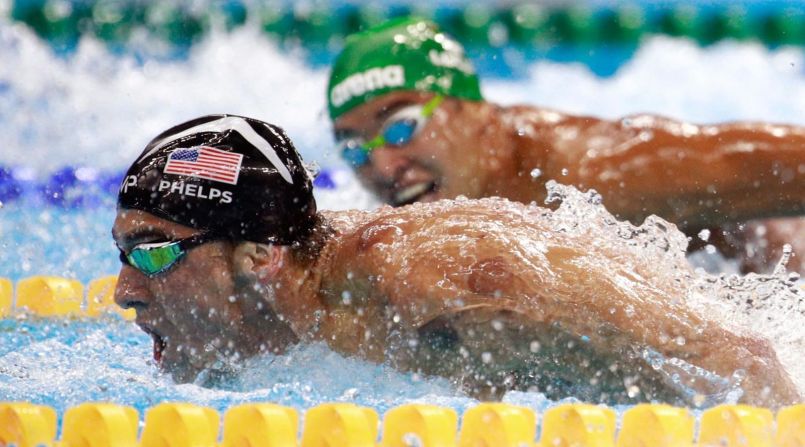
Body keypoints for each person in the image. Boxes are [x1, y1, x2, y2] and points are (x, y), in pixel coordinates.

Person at [113, 114, 800, 407]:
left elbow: (740, 356)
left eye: (153, 253)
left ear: (260, 254)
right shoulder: (293, 295)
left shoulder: (439, 276)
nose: (124, 291)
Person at [327, 17, 805, 273]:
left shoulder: (589, 168)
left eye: (400, 127)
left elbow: (768, 163)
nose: (382, 165)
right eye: (354, 148)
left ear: (473, 110)